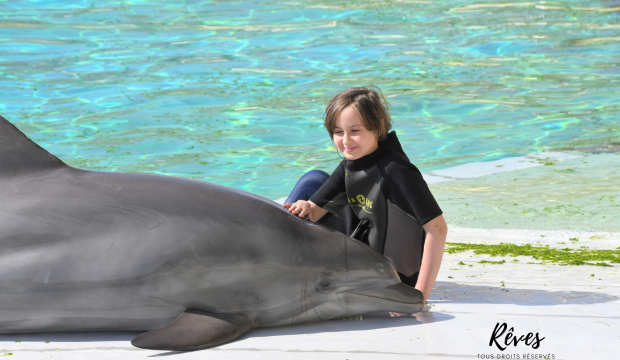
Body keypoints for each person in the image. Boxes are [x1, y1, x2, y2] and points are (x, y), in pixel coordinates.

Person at [283, 86, 448, 314]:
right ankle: (272, 260)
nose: (346, 141)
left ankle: (275, 267)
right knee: (313, 181)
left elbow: (437, 228)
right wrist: (305, 205)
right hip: (366, 249)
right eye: (338, 132)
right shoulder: (352, 163)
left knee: (314, 182)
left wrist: (418, 295)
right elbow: (315, 209)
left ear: (378, 126)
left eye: (355, 130)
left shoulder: (397, 170)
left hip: (393, 274)